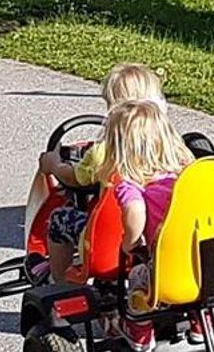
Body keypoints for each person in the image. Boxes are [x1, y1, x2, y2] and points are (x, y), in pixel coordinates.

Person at [37, 63, 166, 284]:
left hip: (112, 240)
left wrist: (54, 164)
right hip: (157, 237)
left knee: (59, 219)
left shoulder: (104, 153)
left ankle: (58, 282)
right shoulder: (169, 147)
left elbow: (73, 178)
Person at [99, 95, 193, 352]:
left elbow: (135, 210)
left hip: (167, 262)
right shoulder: (187, 175)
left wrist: (130, 242)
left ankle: (140, 332)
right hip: (206, 254)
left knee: (138, 277)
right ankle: (200, 324)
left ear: (118, 149)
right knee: (203, 281)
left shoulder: (131, 184)